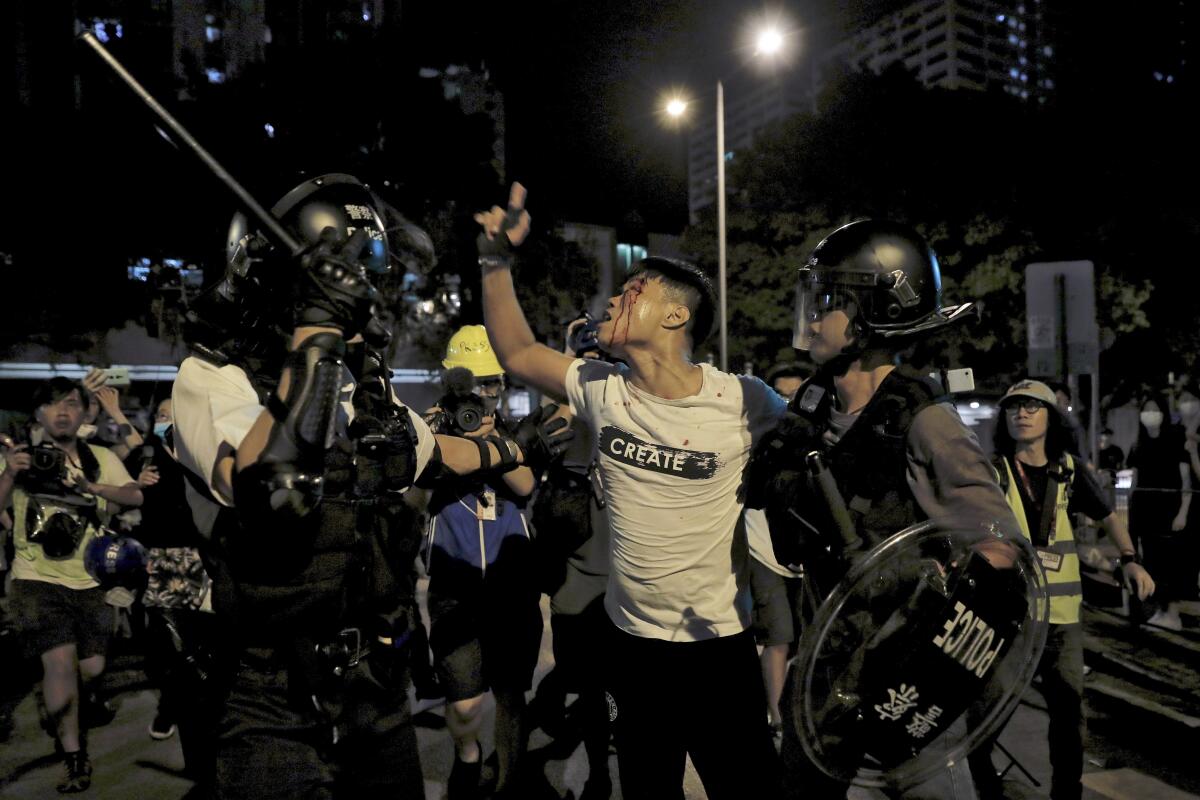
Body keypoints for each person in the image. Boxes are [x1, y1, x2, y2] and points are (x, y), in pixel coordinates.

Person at [171, 173, 570, 798]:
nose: (366, 299)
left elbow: (444, 454)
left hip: (376, 693)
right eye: (344, 279)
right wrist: (317, 330)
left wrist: (523, 444)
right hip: (271, 705)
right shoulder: (213, 379)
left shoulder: (368, 394)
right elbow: (273, 489)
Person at [477, 183, 785, 800]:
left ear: (676, 315)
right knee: (647, 788)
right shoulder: (601, 388)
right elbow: (514, 350)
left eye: (632, 291)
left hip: (719, 648)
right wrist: (494, 260)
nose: (614, 299)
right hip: (632, 649)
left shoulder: (747, 401)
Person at [745, 219, 1020, 799]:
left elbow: (1000, 552)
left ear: (875, 311)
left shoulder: (923, 421)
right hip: (823, 670)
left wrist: (929, 658)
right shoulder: (809, 410)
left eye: (830, 302)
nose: (813, 318)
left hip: (900, 681)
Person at [966, 379, 1154, 800]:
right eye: (1015, 407)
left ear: (1052, 417)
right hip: (1009, 614)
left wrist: (1129, 558)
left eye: (1033, 406)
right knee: (988, 709)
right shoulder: (994, 471)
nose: (1022, 413)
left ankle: (1066, 793)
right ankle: (985, 788)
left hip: (1062, 619)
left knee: (1069, 713)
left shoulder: (1068, 470)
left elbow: (1108, 515)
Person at [0, 377, 143, 793]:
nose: (61, 411)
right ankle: (74, 756)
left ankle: (80, 702)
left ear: (84, 413)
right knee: (58, 664)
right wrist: (10, 474)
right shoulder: (20, 459)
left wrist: (90, 487)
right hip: (36, 578)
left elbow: (135, 497)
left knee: (92, 668)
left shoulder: (98, 458)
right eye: (50, 404)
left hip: (91, 578)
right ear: (39, 415)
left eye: (70, 404)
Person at [422, 325, 544, 799]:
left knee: (512, 695)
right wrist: (438, 436)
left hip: (512, 591)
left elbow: (525, 486)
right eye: (473, 385)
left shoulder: (513, 434)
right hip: (455, 590)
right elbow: (413, 489)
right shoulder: (431, 438)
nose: (485, 396)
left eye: (493, 383)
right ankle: (468, 758)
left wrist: (493, 446)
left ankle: (510, 779)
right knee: (465, 702)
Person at [527, 315, 614, 800]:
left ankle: (599, 773)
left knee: (594, 687)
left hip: (583, 584)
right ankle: (600, 773)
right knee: (602, 689)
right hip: (594, 583)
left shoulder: (561, 415)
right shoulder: (624, 410)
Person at [127, 396, 220, 787]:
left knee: (210, 668)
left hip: (210, 569)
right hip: (164, 568)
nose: (168, 421)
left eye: (173, 415)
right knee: (178, 661)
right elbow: (127, 490)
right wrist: (135, 482)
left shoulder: (206, 457)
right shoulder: (149, 462)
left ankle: (215, 760)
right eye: (162, 415)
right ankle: (198, 765)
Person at [1127, 394, 1192, 630]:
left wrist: (1182, 512)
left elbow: (1186, 482)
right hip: (1144, 511)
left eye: (1155, 409)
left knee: (1171, 563)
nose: (1150, 414)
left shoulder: (1175, 440)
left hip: (1169, 510)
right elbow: (1134, 481)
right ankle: (1160, 611)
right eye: (1146, 409)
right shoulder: (1139, 445)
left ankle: (1173, 614)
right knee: (1152, 561)